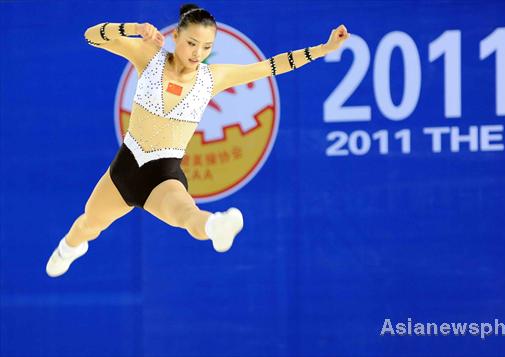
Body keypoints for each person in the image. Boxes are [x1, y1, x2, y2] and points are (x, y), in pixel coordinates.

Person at [46, 3, 350, 278]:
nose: (197, 53)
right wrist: (134, 29)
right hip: (125, 167)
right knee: (88, 225)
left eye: (206, 47)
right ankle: (69, 248)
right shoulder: (149, 57)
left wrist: (323, 49)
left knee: (187, 215)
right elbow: (92, 36)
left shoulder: (212, 78)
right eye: (191, 43)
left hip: (162, 175)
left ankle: (216, 226)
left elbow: (270, 66)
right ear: (176, 37)